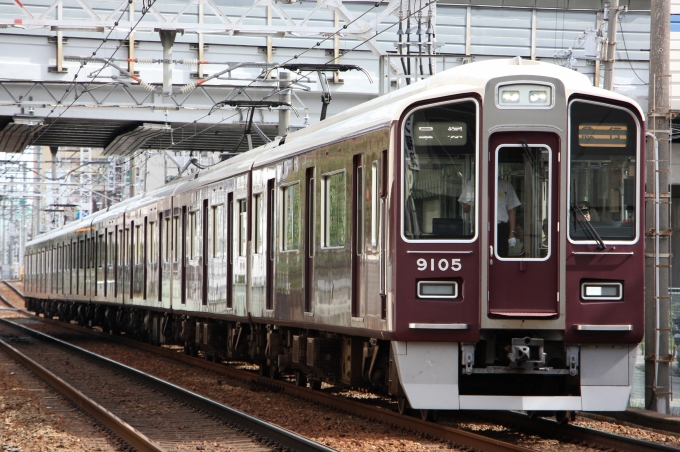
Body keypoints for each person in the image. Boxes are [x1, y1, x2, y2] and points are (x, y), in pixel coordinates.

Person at [459, 177, 520, 257]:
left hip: (501, 228)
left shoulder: (505, 185)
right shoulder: (472, 184)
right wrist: (473, 198)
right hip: (479, 228)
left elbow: (511, 210)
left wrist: (512, 232)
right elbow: (465, 209)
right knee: (479, 255)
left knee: (502, 255)